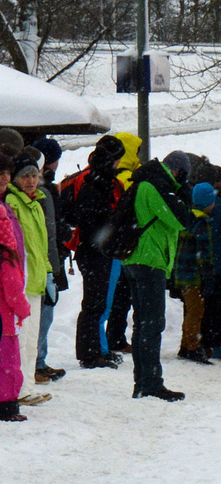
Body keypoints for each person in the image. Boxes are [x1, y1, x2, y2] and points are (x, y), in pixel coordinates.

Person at [125, 153, 186, 401]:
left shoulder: (142, 182)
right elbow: (178, 220)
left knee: (142, 323)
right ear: (178, 171)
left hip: (134, 259)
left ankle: (142, 380)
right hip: (149, 259)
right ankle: (150, 382)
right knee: (151, 324)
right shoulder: (154, 186)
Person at [63, 135, 124, 368]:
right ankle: (90, 353)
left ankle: (94, 350)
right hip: (94, 251)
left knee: (96, 302)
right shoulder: (96, 183)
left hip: (92, 250)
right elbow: (92, 221)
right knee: (94, 303)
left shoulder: (94, 179)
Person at [7, 150, 52, 396]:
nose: (30, 180)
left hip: (35, 281)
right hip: (21, 283)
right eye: (25, 176)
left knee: (31, 338)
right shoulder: (13, 204)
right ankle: (18, 389)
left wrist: (48, 272)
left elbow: (40, 246)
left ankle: (27, 387)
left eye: (34, 175)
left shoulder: (36, 203)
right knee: (20, 339)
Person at [189, 163, 221, 363]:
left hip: (196, 269)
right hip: (218, 267)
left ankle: (199, 343)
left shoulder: (189, 210)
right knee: (219, 308)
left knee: (200, 309)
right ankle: (216, 346)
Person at [30, 139, 67, 383]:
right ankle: (36, 362)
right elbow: (49, 233)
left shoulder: (44, 191)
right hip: (43, 264)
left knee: (43, 314)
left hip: (43, 262)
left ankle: (37, 361)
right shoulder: (42, 193)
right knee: (42, 315)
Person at [103, 132, 143, 354]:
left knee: (117, 294)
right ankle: (116, 337)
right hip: (124, 245)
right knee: (122, 295)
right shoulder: (128, 179)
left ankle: (113, 336)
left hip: (112, 244)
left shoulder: (112, 175)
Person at [173, 182, 218, 364]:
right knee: (196, 312)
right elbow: (204, 254)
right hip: (195, 276)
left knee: (190, 311)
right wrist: (208, 275)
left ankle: (186, 343)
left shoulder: (186, 220)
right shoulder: (202, 224)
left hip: (182, 274)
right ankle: (192, 345)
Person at [0, 151, 29, 422]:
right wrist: (21, 305)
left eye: (7, 173)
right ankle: (7, 405)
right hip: (4, 310)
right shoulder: (3, 212)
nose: (4, 178)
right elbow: (10, 277)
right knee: (8, 359)